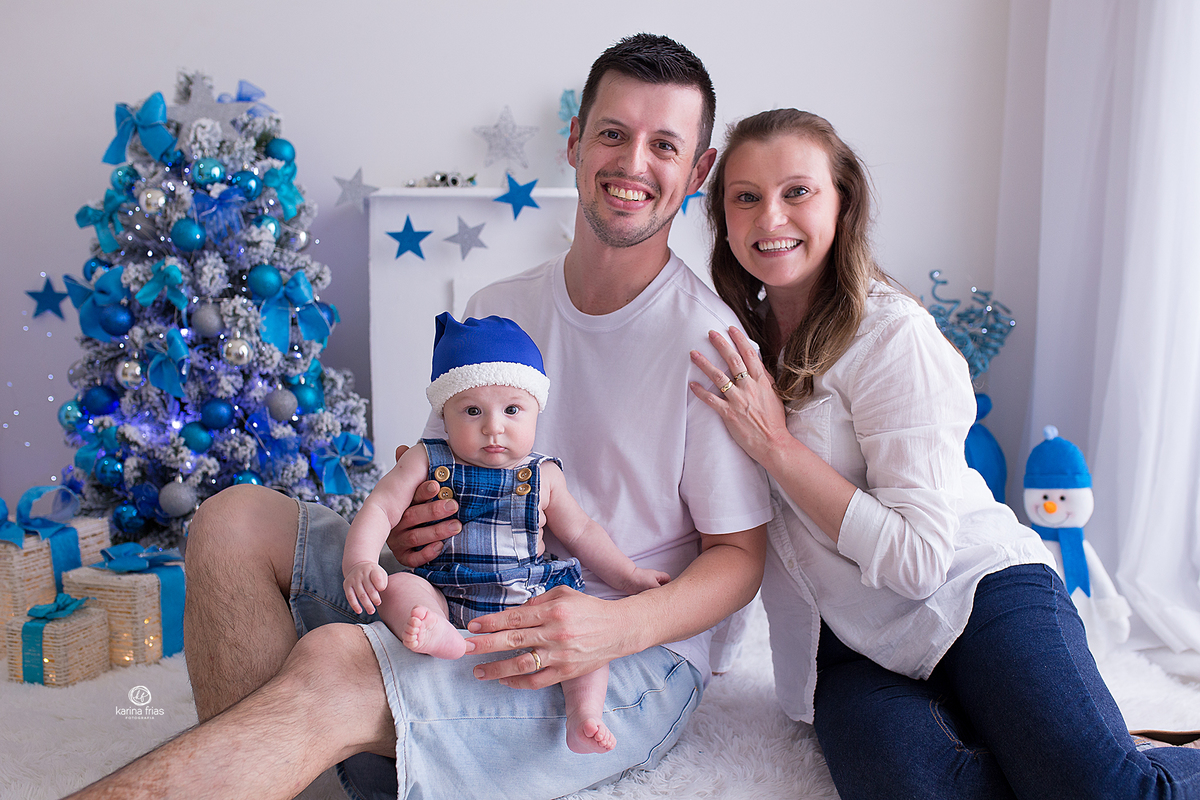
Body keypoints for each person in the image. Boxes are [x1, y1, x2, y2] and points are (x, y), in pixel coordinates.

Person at [69, 34, 771, 800]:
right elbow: (431, 481)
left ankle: (325, 730)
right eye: (612, 133)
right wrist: (412, 531)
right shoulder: (496, 309)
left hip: (620, 653)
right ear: (574, 140)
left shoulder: (709, 343)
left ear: (698, 172)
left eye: (663, 145)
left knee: (338, 661)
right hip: (465, 590)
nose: (633, 164)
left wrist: (619, 627)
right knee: (231, 520)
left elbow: (740, 556)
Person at [688, 107, 1200, 799]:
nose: (769, 215)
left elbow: (921, 561)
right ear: (723, 216)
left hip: (977, 591)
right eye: (745, 196)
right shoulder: (730, 341)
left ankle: (1121, 760)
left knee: (1107, 793)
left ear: (843, 202)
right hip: (844, 647)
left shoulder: (893, 336)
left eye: (797, 191)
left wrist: (777, 446)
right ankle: (1057, 747)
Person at [342, 312, 670, 754]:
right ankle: (443, 635)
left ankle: (584, 713)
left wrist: (628, 576)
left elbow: (583, 532)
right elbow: (381, 506)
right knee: (399, 589)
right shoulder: (427, 457)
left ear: (536, 409)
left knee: (590, 632)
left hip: (532, 600)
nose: (493, 427)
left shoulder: (543, 474)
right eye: (472, 411)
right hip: (445, 590)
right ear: (445, 412)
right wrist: (360, 561)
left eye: (512, 410)